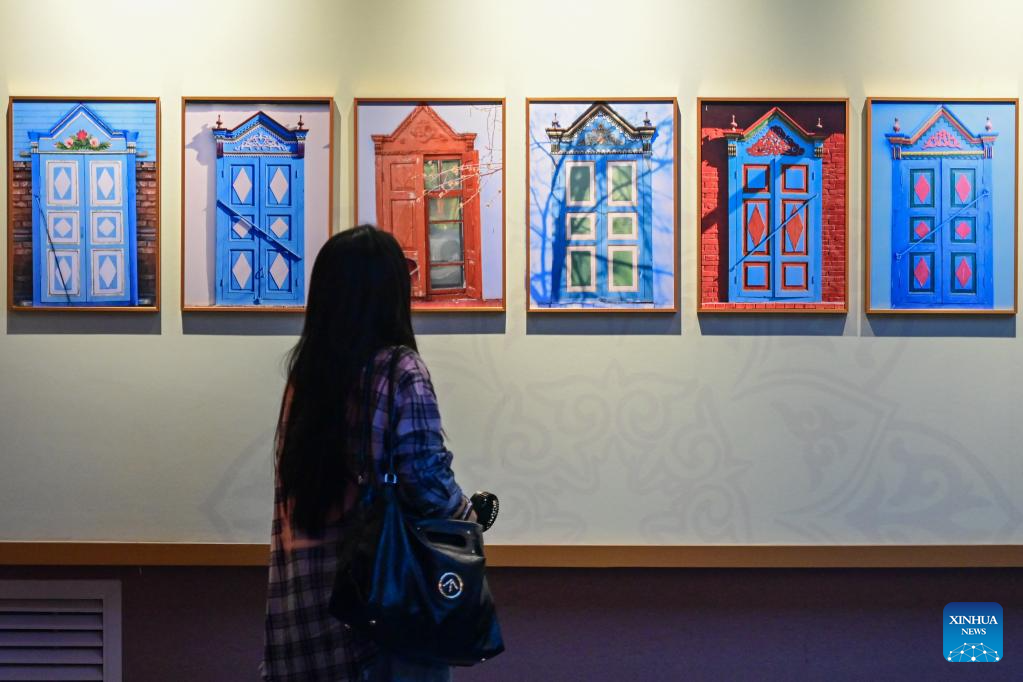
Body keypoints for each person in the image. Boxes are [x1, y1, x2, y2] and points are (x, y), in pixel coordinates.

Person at [261, 225, 474, 681]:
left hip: (307, 615)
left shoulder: (305, 378)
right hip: (383, 622)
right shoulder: (400, 370)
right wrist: (470, 517)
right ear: (390, 293)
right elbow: (427, 484)